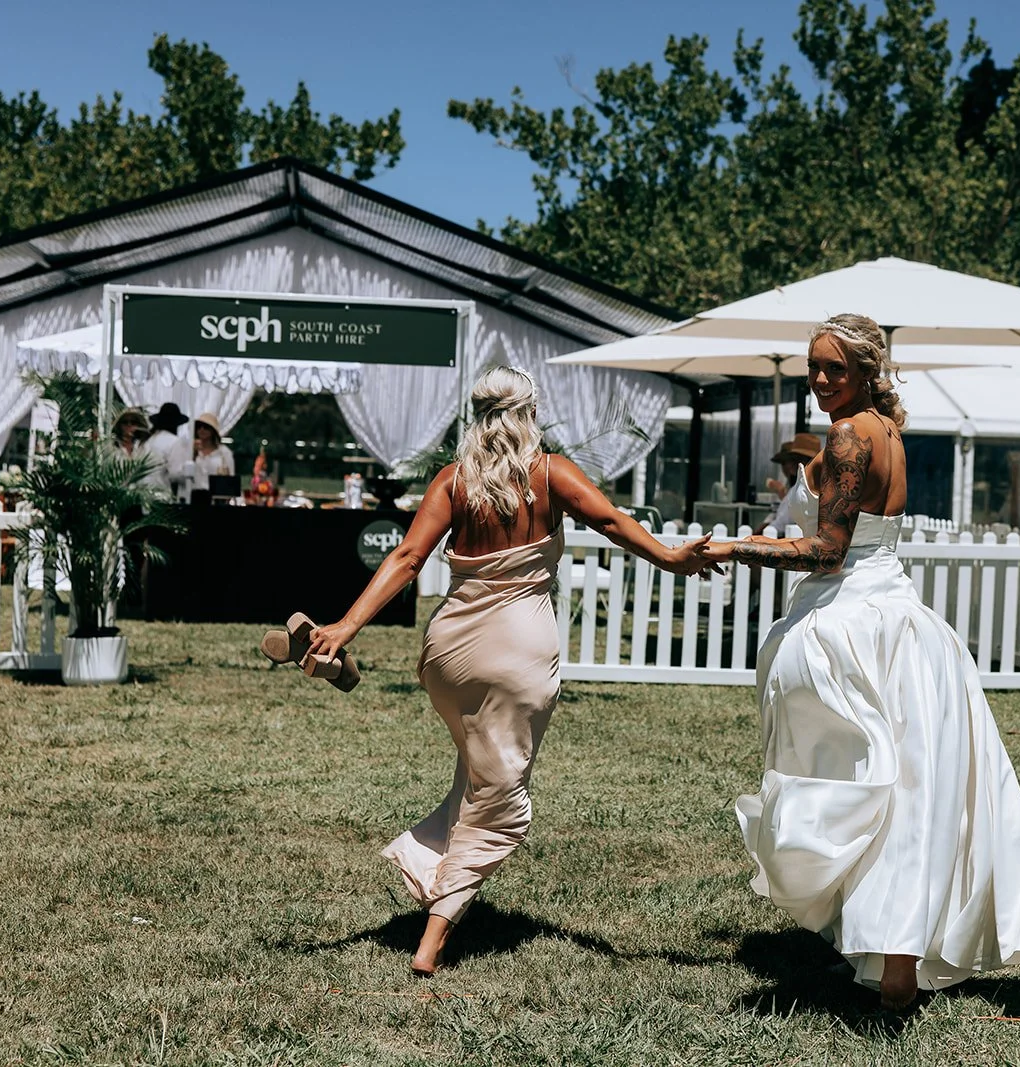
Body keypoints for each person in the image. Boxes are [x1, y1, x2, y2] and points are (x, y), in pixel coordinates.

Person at [696, 315, 1020, 1012]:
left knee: (861, 788)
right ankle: (890, 957)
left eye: (835, 369)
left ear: (866, 371)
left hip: (857, 623)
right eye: (813, 367)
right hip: (898, 617)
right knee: (907, 788)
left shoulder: (853, 433)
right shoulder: (889, 429)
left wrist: (736, 548)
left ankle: (889, 962)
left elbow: (828, 551)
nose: (821, 380)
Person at [304, 367, 715, 978]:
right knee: (501, 796)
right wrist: (671, 558)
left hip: (449, 654)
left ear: (475, 414)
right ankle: (433, 940)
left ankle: (432, 872)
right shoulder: (552, 473)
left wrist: (344, 626)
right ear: (530, 413)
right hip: (519, 651)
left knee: (478, 773)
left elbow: (408, 557)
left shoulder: (454, 480)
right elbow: (610, 521)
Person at [762, 432, 821, 532]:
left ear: (807, 460)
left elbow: (779, 525)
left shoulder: (798, 490)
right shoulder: (800, 488)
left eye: (794, 459)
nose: (790, 465)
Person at [143, 402, 190, 497]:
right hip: (161, 494)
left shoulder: (149, 440)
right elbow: (175, 473)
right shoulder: (175, 442)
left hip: (142, 492)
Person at [185, 412, 234, 494]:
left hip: (216, 496)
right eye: (199, 427)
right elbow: (183, 474)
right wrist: (194, 453)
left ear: (213, 431)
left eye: (206, 427)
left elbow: (231, 477)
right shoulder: (190, 449)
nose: (202, 430)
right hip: (194, 495)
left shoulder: (224, 452)